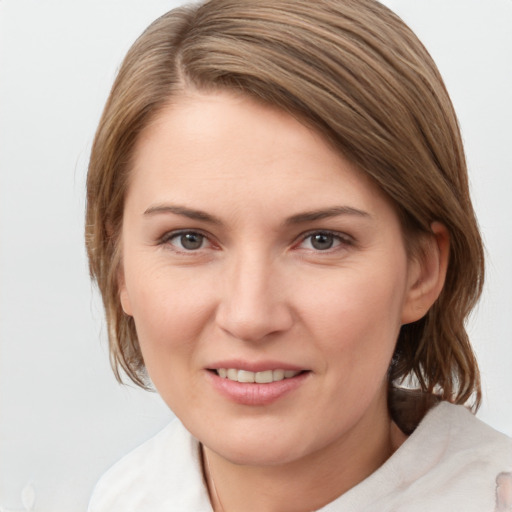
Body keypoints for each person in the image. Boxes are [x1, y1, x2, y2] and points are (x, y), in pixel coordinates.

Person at [85, 0, 512, 510]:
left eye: (321, 240)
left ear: (422, 270)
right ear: (120, 267)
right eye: (189, 239)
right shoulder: (122, 496)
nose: (250, 317)